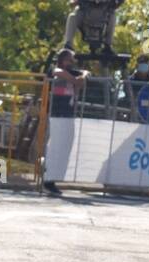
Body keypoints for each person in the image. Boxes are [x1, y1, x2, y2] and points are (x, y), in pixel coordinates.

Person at [43, 49, 87, 196]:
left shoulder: (71, 73)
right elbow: (75, 79)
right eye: (69, 60)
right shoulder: (57, 71)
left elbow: (83, 78)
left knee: (65, 147)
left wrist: (83, 75)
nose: (71, 63)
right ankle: (47, 179)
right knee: (56, 146)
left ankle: (54, 179)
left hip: (68, 114)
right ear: (62, 60)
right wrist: (79, 77)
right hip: (58, 114)